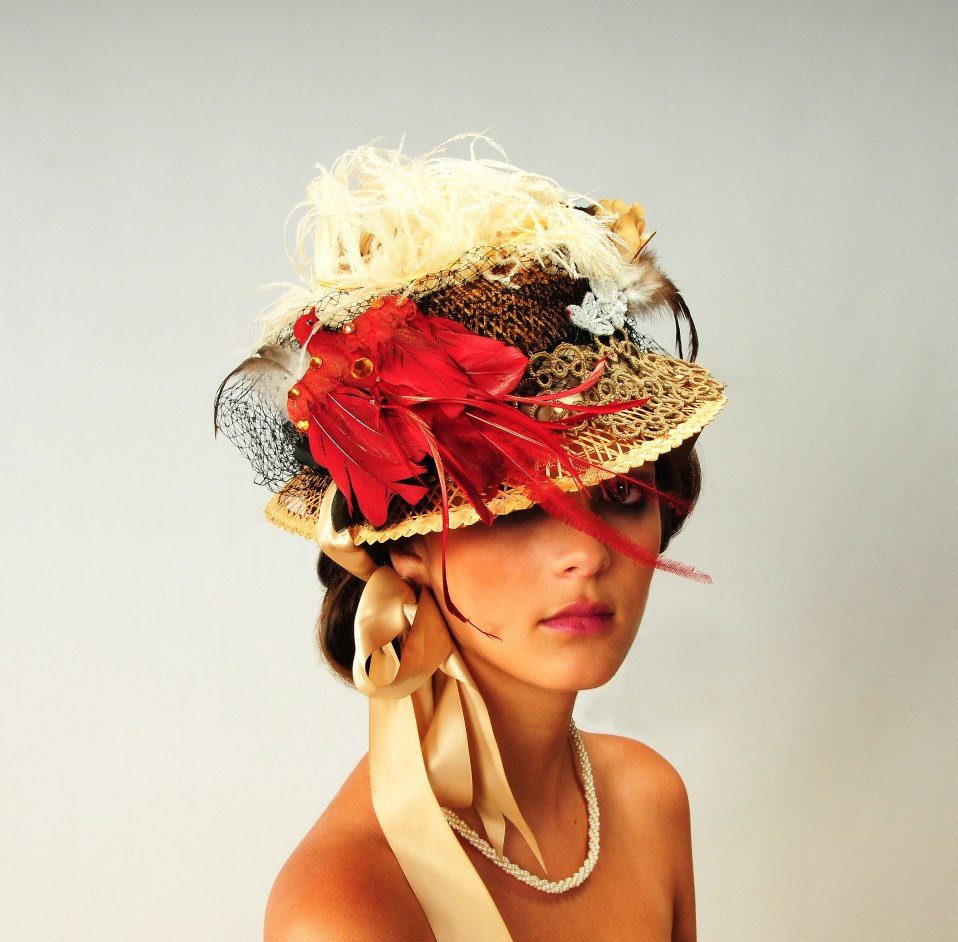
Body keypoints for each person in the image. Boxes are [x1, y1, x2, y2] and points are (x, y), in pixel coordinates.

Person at [215, 140, 726, 941]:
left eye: (621, 494)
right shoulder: (348, 912)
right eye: (516, 506)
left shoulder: (647, 800)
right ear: (402, 543)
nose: (589, 551)